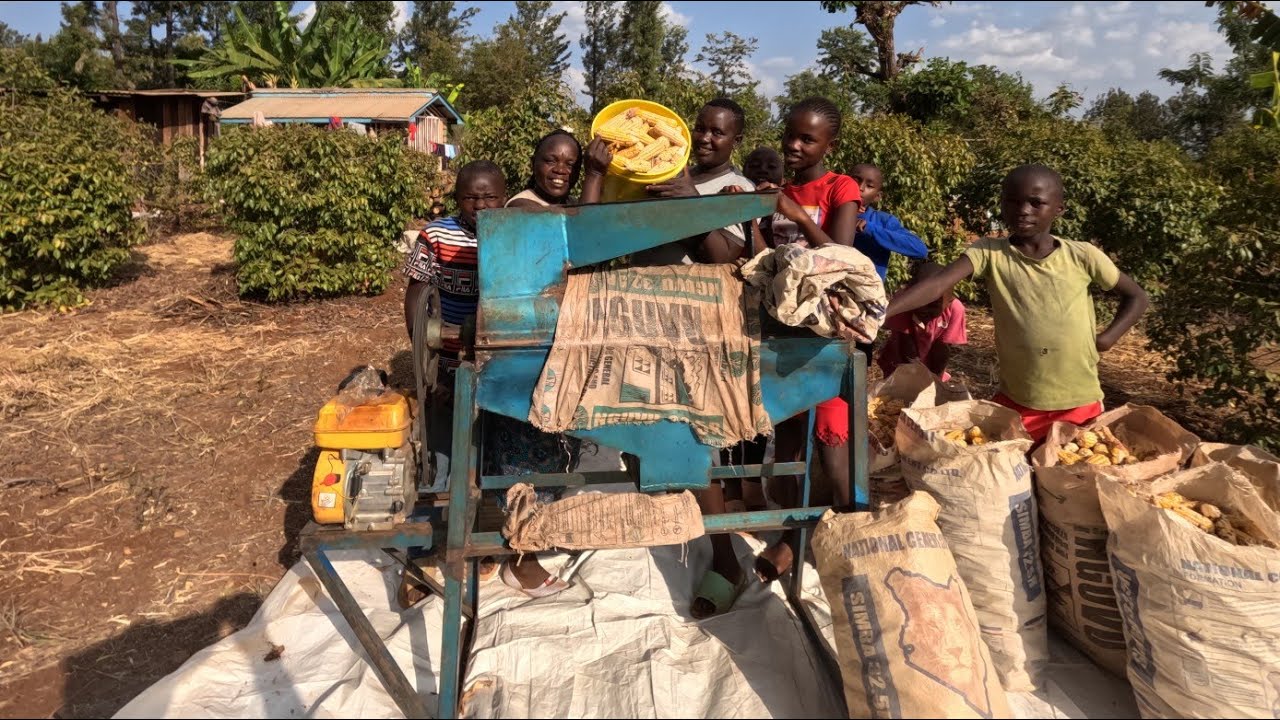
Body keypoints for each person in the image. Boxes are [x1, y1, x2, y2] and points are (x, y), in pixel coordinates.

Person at [831, 164, 1149, 442]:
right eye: (1013, 201)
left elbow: (1136, 295)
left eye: (1036, 203)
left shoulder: (1082, 256)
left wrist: (1107, 339)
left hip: (1079, 400)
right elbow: (938, 284)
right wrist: (883, 310)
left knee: (1070, 486)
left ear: (1059, 209)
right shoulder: (989, 252)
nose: (1023, 210)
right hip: (1019, 400)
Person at [619, 98, 758, 265]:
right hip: (637, 281)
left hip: (686, 287)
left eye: (717, 133)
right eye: (700, 129)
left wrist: (693, 202)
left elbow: (722, 257)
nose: (704, 138)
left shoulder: (741, 189)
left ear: (736, 141)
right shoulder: (673, 172)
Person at [876, 260, 967, 381]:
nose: (925, 309)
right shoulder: (902, 303)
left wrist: (935, 381)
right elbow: (905, 345)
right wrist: (914, 380)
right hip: (898, 363)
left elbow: (942, 350)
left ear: (950, 300)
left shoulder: (955, 309)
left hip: (932, 366)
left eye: (933, 305)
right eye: (921, 302)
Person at [848, 163, 930, 284]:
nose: (860, 188)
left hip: (866, 293)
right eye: (855, 181)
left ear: (877, 196)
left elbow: (920, 249)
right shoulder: (827, 212)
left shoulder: (882, 221)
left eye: (869, 186)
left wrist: (869, 229)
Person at [505, 129, 611, 209]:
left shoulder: (573, 203)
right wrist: (594, 174)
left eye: (570, 165)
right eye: (550, 161)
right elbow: (584, 227)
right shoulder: (520, 205)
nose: (560, 170)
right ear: (533, 163)